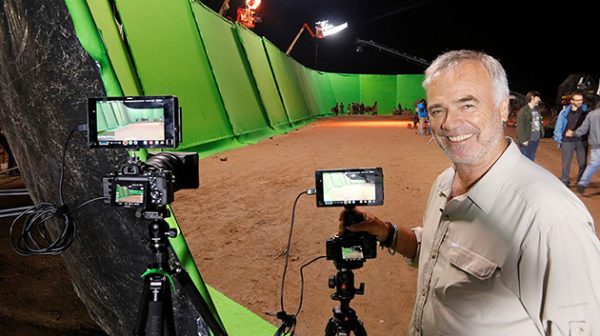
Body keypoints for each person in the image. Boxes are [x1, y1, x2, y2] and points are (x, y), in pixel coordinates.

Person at [342, 50, 600, 335]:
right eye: (438, 109)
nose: (449, 123)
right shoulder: (444, 183)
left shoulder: (550, 218)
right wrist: (387, 232)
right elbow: (434, 252)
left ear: (503, 109)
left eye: (467, 105)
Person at [553, 92, 589, 186]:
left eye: (581, 100)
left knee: (582, 163)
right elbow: (559, 126)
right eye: (578, 100)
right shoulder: (564, 113)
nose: (580, 102)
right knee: (566, 163)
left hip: (581, 140)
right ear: (572, 101)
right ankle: (565, 180)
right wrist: (559, 139)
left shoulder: (585, 111)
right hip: (568, 141)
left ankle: (580, 179)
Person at [567, 101, 600, 194]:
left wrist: (573, 133)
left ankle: (583, 182)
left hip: (595, 146)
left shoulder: (591, 115)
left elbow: (583, 129)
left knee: (593, 165)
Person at [516, 90, 544, 160]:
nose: (539, 100)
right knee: (524, 161)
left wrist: (541, 132)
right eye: (538, 98)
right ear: (532, 98)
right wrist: (523, 140)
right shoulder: (523, 111)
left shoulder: (537, 110)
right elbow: (520, 127)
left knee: (531, 159)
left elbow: (539, 122)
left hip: (535, 139)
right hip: (526, 140)